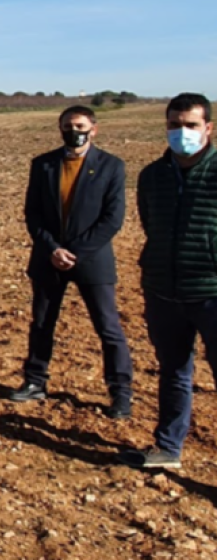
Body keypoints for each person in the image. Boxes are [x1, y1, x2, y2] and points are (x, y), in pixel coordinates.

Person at [9, 106, 133, 418]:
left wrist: (76, 250)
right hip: (48, 258)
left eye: (79, 125)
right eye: (67, 125)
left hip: (92, 260)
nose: (73, 131)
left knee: (108, 327)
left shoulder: (111, 166)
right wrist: (52, 248)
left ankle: (120, 394)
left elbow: (112, 218)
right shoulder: (43, 165)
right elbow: (33, 213)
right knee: (41, 323)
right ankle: (35, 381)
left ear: (94, 129)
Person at [120, 93, 217, 470]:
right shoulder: (152, 176)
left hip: (211, 292)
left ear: (207, 128)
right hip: (163, 289)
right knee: (174, 370)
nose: (182, 132)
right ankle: (167, 448)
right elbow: (151, 225)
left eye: (190, 125)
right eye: (174, 125)